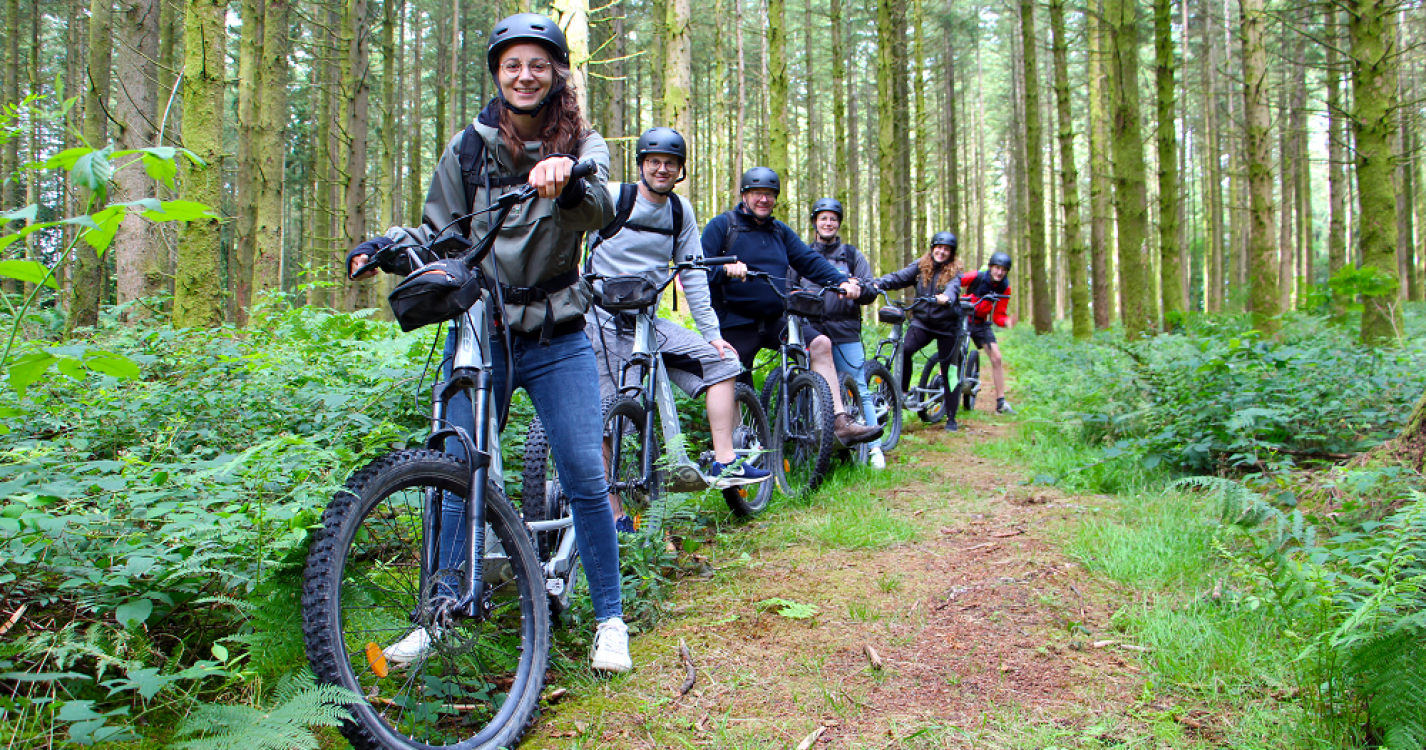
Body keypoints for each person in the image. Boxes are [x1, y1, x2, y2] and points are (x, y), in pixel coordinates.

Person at [346, 13, 631, 674]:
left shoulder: (583, 142)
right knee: (456, 470)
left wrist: (569, 180)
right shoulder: (469, 148)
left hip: (559, 333)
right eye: (513, 65)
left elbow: (601, 208)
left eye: (538, 65)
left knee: (585, 474)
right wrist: (389, 247)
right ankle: (440, 614)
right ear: (498, 74)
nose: (525, 76)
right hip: (482, 329)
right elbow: (441, 232)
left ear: (557, 72)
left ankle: (610, 620)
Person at [585, 127, 770, 531]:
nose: (662, 169)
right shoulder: (613, 198)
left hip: (649, 323)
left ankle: (724, 460)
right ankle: (614, 517)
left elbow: (695, 275)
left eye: (670, 163)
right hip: (602, 322)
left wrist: (712, 334)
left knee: (723, 362)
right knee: (609, 417)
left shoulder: (679, 211)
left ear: (680, 169)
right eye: (654, 161)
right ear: (641, 165)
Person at [702, 168, 881, 446]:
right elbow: (698, 270)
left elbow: (809, 261)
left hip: (776, 320)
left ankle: (839, 422)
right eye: (757, 193)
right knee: (734, 381)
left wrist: (841, 281)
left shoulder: (780, 232)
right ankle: (738, 450)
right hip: (736, 322)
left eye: (770, 194)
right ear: (744, 195)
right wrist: (724, 269)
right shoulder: (723, 226)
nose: (764, 199)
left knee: (820, 343)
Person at [788, 198, 887, 468]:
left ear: (839, 223)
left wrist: (858, 288)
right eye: (823, 218)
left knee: (858, 385)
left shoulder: (852, 256)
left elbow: (870, 290)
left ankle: (875, 448)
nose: (828, 223)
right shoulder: (801, 254)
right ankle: (817, 444)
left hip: (845, 330)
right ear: (814, 222)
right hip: (811, 329)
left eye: (833, 218)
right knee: (812, 387)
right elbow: (788, 286)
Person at [872, 232, 966, 431]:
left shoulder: (955, 272)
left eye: (946, 249)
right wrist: (878, 283)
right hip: (922, 322)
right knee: (905, 350)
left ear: (951, 253)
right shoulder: (921, 266)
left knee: (950, 369)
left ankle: (951, 416)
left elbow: (953, 288)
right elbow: (899, 278)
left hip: (948, 327)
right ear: (932, 248)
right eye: (938, 247)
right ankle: (903, 392)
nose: (941, 252)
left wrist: (946, 298)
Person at [960, 251, 1015, 414]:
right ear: (990, 267)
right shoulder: (976, 276)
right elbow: (955, 281)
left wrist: (1006, 322)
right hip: (962, 318)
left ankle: (1001, 402)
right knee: (951, 352)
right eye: (997, 268)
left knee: (996, 357)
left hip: (980, 323)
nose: (999, 272)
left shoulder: (1005, 288)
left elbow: (999, 315)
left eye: (1003, 270)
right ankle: (940, 388)